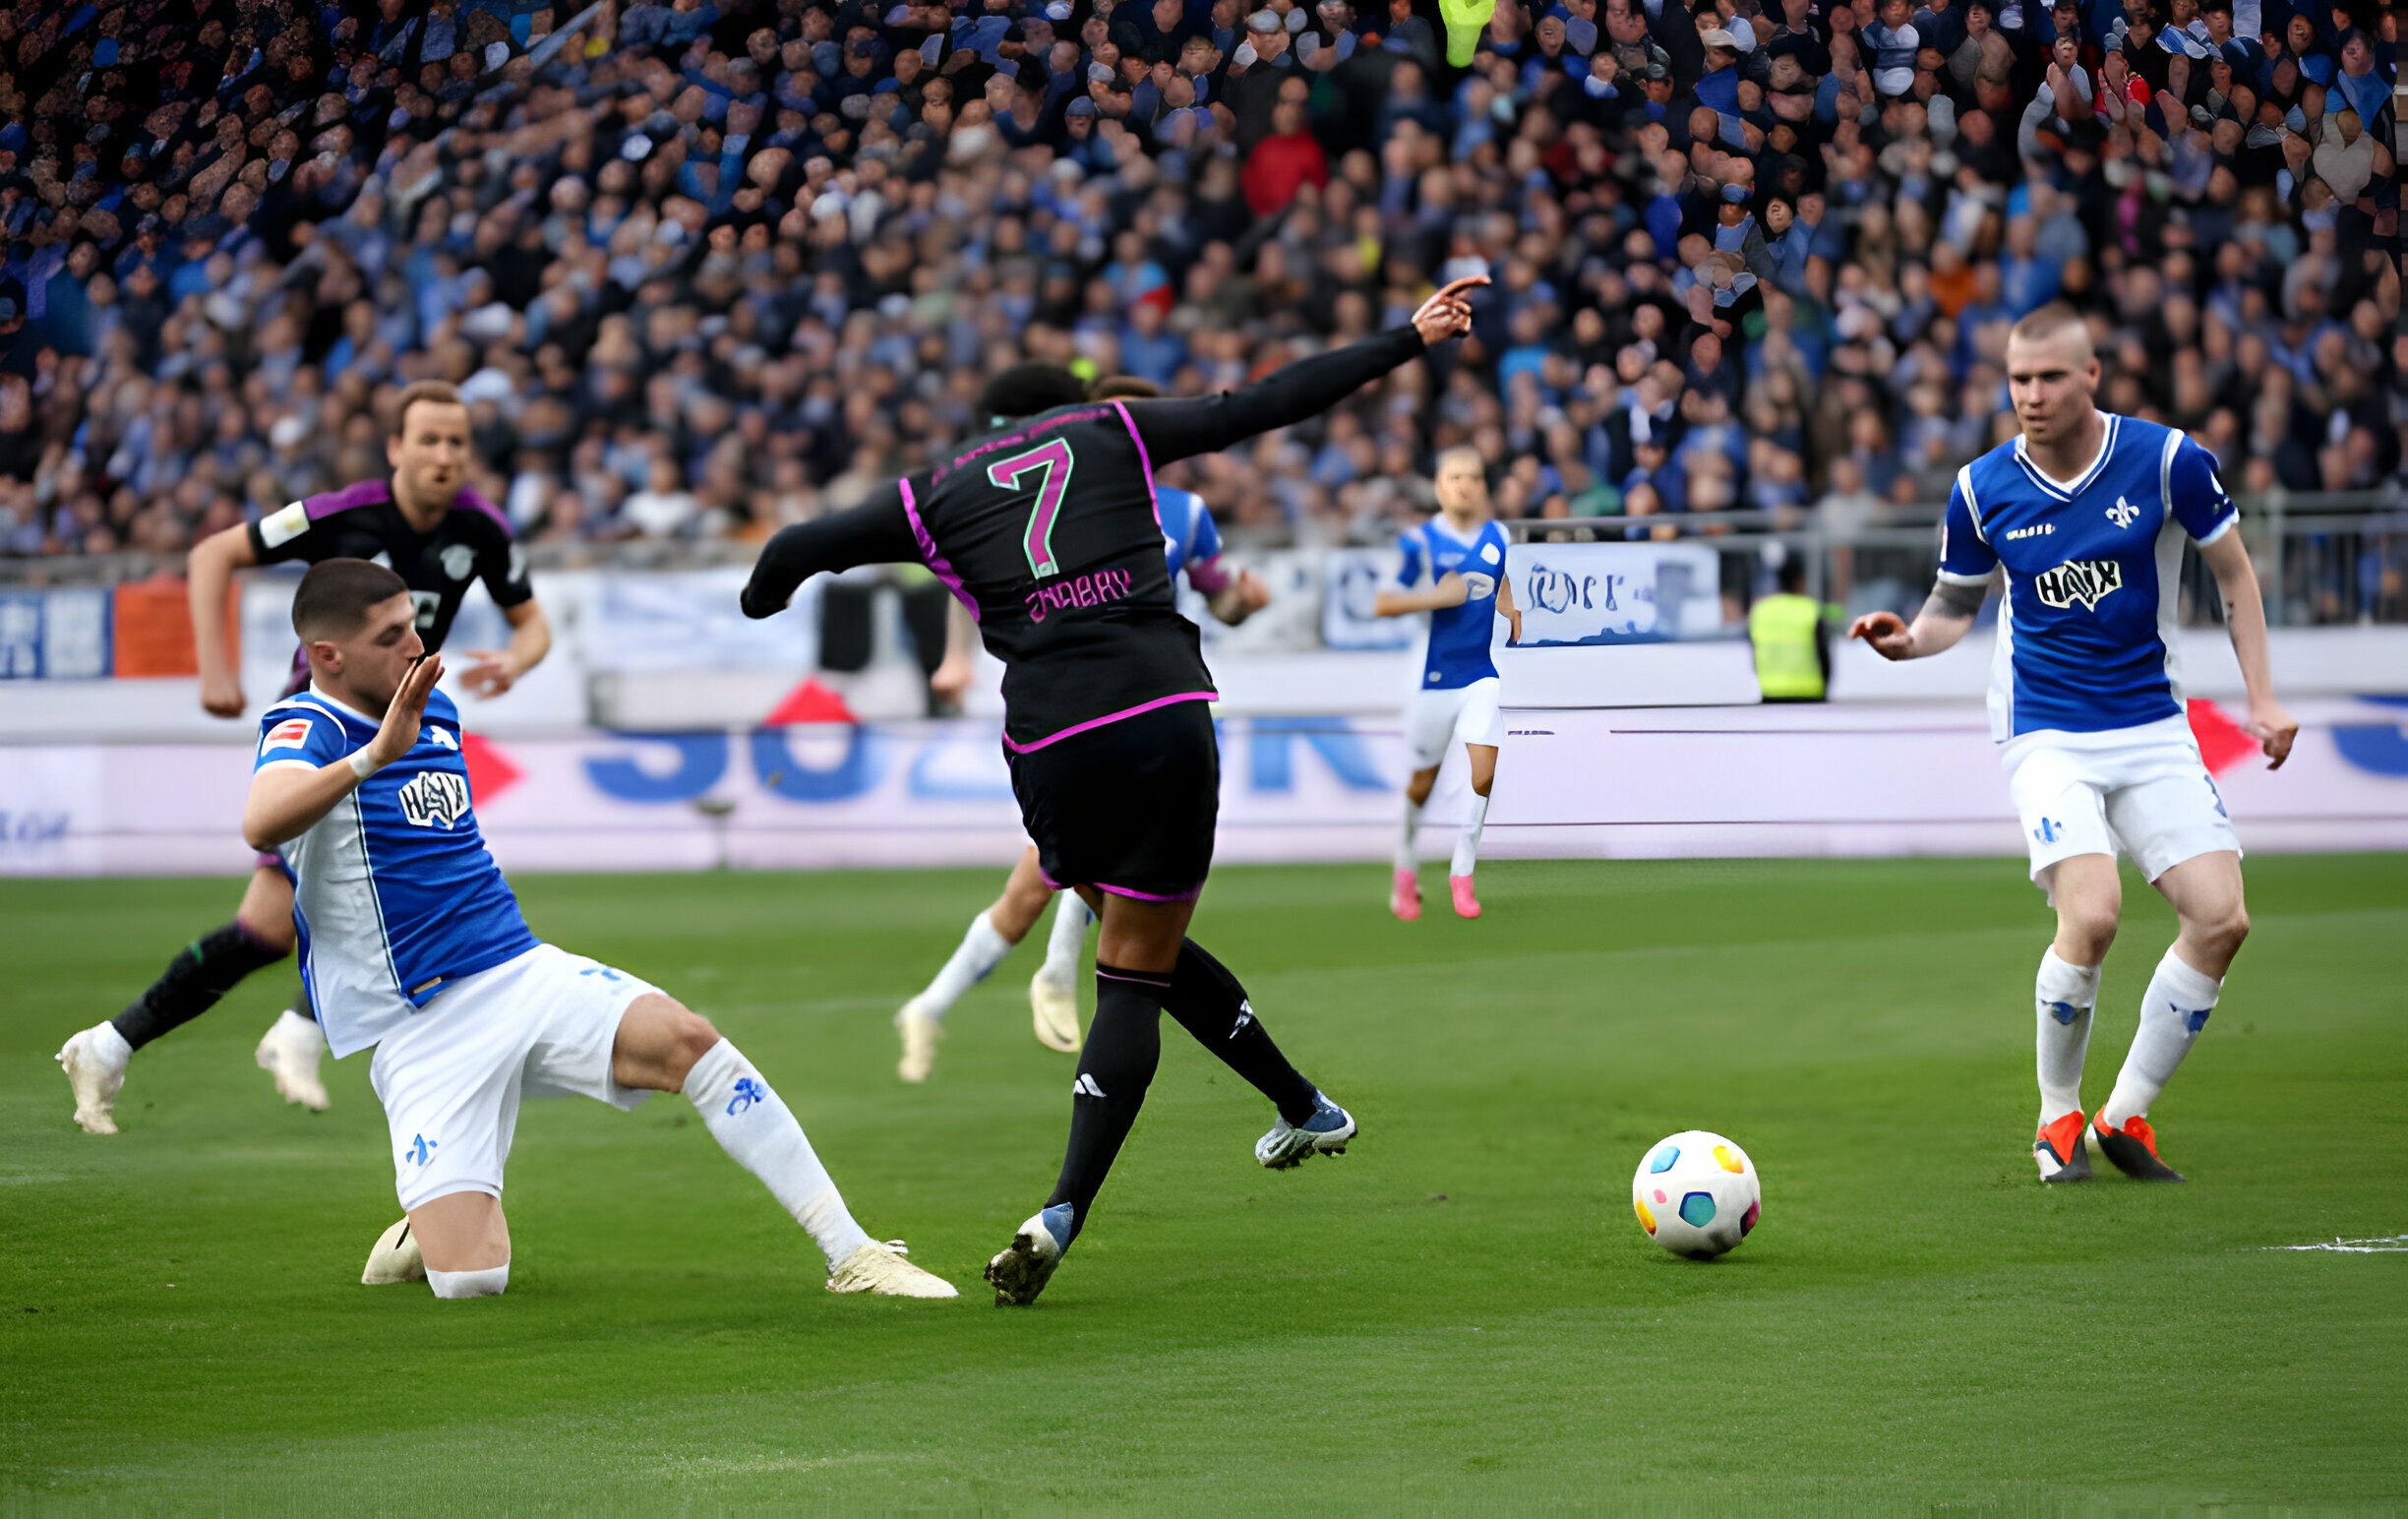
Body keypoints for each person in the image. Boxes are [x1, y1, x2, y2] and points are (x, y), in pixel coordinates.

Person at [742, 276, 1488, 1306]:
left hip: (1053, 740)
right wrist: (1407, 337)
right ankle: (1072, 1203)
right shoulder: (1112, 430)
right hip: (1165, 708)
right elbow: (1263, 402)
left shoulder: (938, 490)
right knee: (1136, 968)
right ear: (1065, 407)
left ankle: (1301, 1103)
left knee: (1133, 946)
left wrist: (761, 593)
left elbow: (799, 549)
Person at [245, 558, 954, 1302]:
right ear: (328, 656)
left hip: (514, 969)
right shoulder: (307, 727)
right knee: (474, 1284)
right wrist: (372, 757)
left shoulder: (433, 705)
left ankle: (852, 1253)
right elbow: (260, 820)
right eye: (391, 635)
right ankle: (426, 1228)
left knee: (691, 1042)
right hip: (417, 1025)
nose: (416, 645)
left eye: (413, 624)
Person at [1847, 303, 2297, 1185]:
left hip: (2150, 720)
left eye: (2051, 377)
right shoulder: (1984, 487)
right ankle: (2057, 1117)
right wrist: (1908, 643)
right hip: (2044, 726)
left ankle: (2124, 1117)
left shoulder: (2168, 461)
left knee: (2221, 918)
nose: (2033, 395)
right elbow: (1952, 607)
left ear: (2092, 375)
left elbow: (2234, 571)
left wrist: (2263, 699)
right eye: (2019, 379)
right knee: (2090, 916)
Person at [56, 383, 553, 1134]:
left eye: (457, 442)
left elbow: (534, 625)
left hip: (402, 739)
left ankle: (115, 1043)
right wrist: (215, 669)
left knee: (267, 928)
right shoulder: (340, 515)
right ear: (396, 448)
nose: (445, 455)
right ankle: (297, 1031)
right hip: (322, 736)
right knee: (403, 901)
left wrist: (517, 660)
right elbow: (213, 553)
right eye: (429, 440)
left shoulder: (482, 528)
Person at [896, 376, 1273, 1084]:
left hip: (1150, 711)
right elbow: (966, 570)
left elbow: (1221, 599)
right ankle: (1033, 982)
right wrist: (955, 655)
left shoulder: (1186, 515)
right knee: (1065, 878)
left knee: (1053, 877)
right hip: (1081, 718)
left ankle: (979, 993)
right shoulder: (1069, 506)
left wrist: (1246, 603)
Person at [1372, 447, 1522, 922]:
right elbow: (1384, 602)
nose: (1465, 485)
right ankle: (1405, 865)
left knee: (1483, 773)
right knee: (1422, 784)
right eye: (1455, 477)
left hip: (1479, 673)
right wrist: (1435, 598)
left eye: (1473, 477)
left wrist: (1510, 608)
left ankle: (1462, 874)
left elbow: (1499, 579)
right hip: (1433, 681)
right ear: (1440, 486)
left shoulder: (1498, 535)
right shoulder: (1419, 542)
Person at [1748, 555, 1831, 701]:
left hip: (1770, 692)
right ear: (1799, 581)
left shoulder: (1760, 610)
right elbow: (1823, 655)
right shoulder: (1810, 609)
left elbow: (1753, 650)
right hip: (1809, 692)